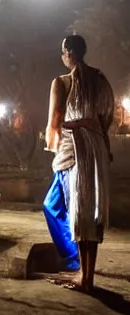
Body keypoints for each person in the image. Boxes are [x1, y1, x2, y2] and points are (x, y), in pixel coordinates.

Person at [43, 35, 114, 292]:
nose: (62, 56)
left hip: (73, 150)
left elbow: (56, 119)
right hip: (95, 147)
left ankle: (83, 276)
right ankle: (86, 275)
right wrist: (99, 140)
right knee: (89, 211)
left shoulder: (62, 82)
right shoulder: (100, 79)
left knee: (78, 211)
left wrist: (54, 148)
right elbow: (108, 115)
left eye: (63, 51)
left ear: (70, 53)